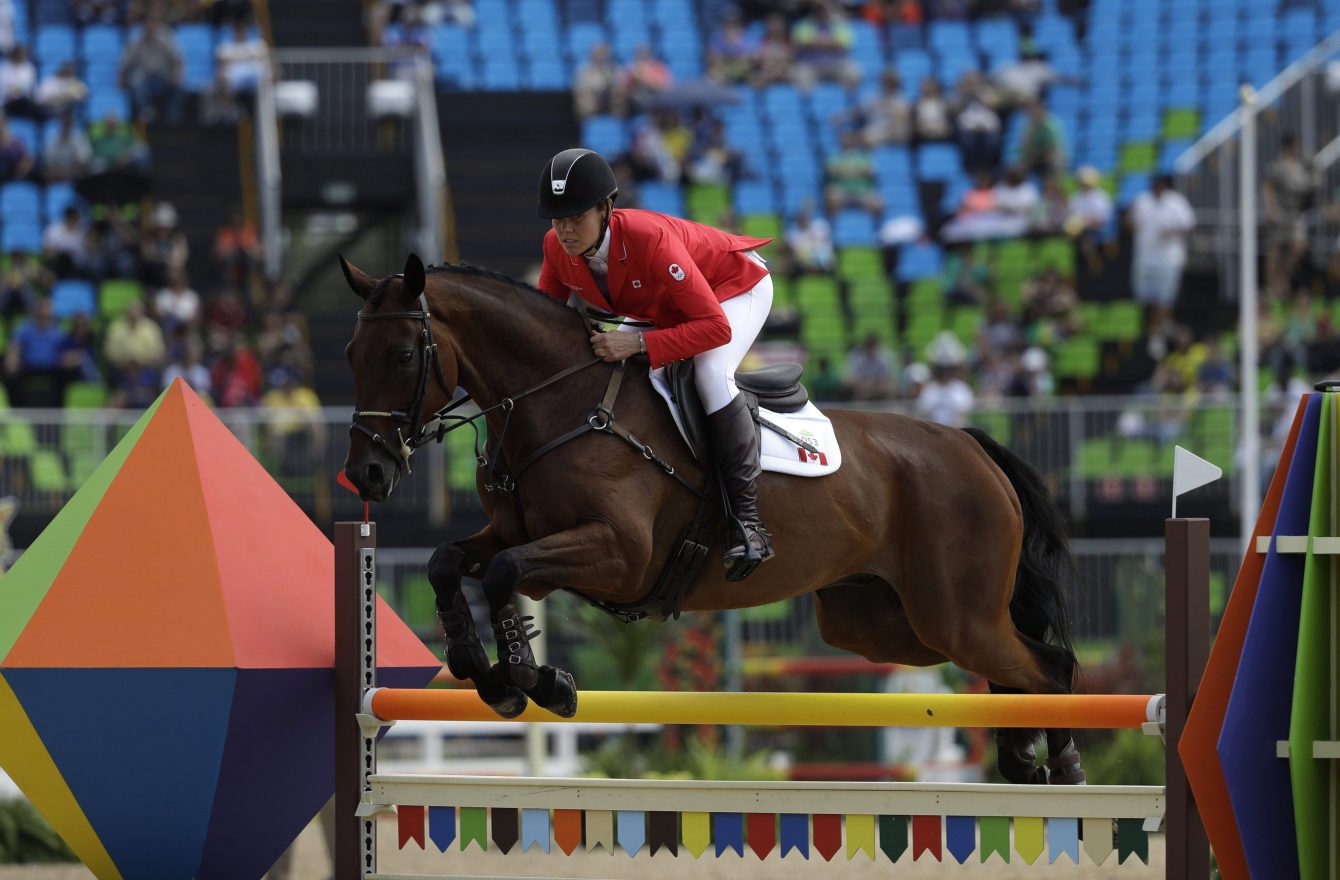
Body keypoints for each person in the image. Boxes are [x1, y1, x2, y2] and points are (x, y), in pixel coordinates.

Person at [534, 148, 776, 575]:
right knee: (605, 368)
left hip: (734, 288)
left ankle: (747, 523)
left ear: (606, 208)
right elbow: (542, 327)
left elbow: (715, 328)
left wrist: (639, 346)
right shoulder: (556, 247)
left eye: (576, 217)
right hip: (661, 305)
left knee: (709, 373)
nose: (566, 230)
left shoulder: (648, 238)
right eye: (558, 219)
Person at [1129, 174, 1195, 322]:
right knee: (1144, 299)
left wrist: (1171, 232)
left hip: (1168, 259)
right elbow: (1130, 220)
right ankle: (1151, 330)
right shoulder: (1142, 201)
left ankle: (1161, 330)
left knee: (1165, 299)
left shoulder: (1177, 202)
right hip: (1144, 258)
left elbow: (1189, 226)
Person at [1263, 133, 1315, 298]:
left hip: (1296, 213)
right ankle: (1271, 285)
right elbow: (1268, 187)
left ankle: (1283, 276)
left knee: (1299, 246)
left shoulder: (1300, 166)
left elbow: (1307, 186)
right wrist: (1271, 210)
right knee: (1276, 248)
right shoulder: (1279, 166)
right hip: (1280, 212)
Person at [118, 13, 184, 124]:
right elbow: (126, 63)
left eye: (152, 24)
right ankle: (146, 112)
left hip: (163, 75)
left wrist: (177, 73)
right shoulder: (136, 41)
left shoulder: (165, 38)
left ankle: (172, 116)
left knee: (179, 84)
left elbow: (177, 59)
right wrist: (122, 76)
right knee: (136, 79)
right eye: (147, 24)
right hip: (145, 77)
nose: (150, 27)